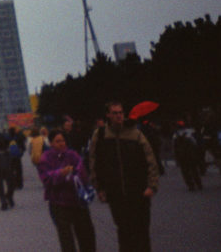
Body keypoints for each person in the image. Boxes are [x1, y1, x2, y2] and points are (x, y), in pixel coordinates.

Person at [89, 101, 159, 252]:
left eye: (120, 112)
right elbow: (94, 162)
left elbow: (150, 160)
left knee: (142, 230)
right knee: (124, 230)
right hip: (116, 193)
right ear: (108, 115)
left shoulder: (135, 133)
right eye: (114, 113)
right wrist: (99, 188)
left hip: (139, 191)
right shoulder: (100, 135)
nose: (119, 116)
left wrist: (152, 185)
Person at [38, 129, 97, 252]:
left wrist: (75, 172)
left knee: (86, 236)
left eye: (63, 141)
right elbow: (46, 178)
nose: (61, 144)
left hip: (77, 202)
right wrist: (61, 173)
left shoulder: (72, 155)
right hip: (59, 204)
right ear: (51, 143)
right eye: (57, 141)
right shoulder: (45, 158)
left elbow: (82, 172)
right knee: (66, 239)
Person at [171, 121, 202, 191]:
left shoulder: (175, 135)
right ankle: (198, 183)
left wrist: (176, 156)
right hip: (190, 155)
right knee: (194, 169)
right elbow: (195, 143)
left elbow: (173, 147)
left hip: (181, 156)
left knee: (185, 171)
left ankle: (190, 185)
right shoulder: (190, 132)